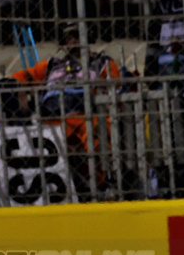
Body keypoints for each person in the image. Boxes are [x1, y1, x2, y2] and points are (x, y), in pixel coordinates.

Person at [11, 22, 122, 195]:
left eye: (76, 36)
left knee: (97, 131)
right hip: (50, 119)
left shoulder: (102, 62)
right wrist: (19, 89)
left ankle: (99, 183)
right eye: (68, 37)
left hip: (85, 115)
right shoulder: (51, 64)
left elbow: (114, 89)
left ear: (87, 37)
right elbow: (24, 76)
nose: (72, 41)